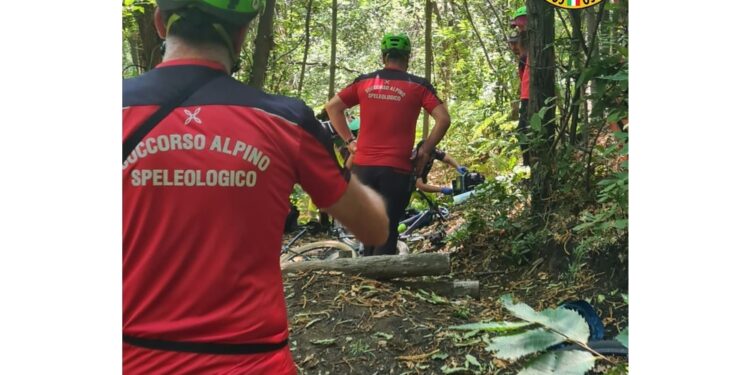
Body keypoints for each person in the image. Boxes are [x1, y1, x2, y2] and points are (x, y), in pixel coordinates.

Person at [122, 1, 388, 374]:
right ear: (242, 34)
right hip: (253, 361)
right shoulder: (285, 120)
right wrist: (351, 168)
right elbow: (374, 228)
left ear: (160, 24)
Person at [325, 33, 451, 256]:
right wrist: (425, 149)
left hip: (362, 168)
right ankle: (380, 282)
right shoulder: (418, 85)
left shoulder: (364, 82)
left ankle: (366, 280)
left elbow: (332, 107)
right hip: (397, 170)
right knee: (387, 228)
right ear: (408, 57)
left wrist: (350, 142)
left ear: (384, 57)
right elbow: (443, 119)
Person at [512, 6, 531, 167]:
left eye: (521, 25)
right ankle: (528, 165)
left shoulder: (535, 47)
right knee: (523, 132)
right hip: (526, 95)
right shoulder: (524, 52)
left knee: (525, 132)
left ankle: (530, 165)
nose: (519, 29)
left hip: (532, 95)